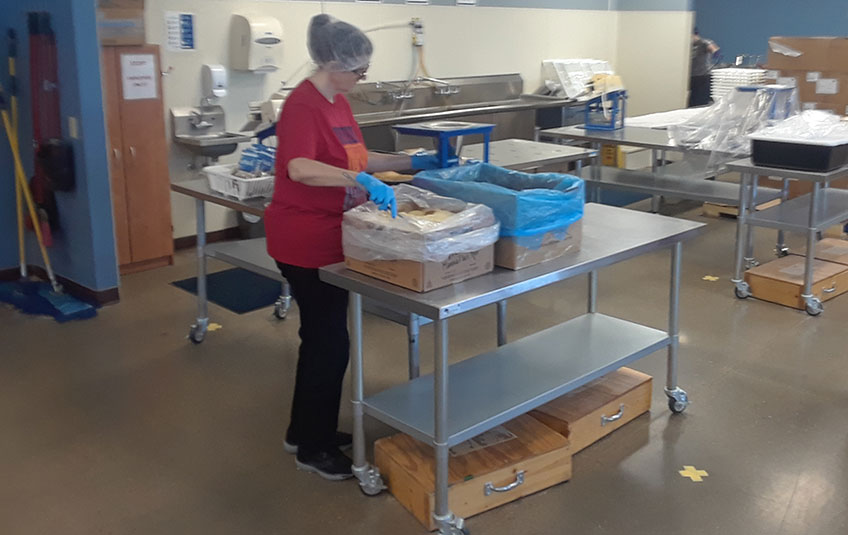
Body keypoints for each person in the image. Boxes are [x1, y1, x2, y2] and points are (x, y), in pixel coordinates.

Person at [264, 14, 439, 480]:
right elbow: (300, 168)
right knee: (328, 343)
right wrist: (356, 179)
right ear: (332, 63)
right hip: (304, 240)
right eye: (359, 71)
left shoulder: (338, 101)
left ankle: (303, 431)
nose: (362, 79)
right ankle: (313, 448)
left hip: (334, 236)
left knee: (324, 339)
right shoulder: (303, 105)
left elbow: (362, 159)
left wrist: (416, 161)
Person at [689, 28, 719, 108]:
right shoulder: (687, 45)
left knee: (701, 102)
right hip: (690, 76)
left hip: (703, 76)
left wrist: (715, 52)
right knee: (691, 102)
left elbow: (713, 48)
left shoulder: (704, 43)